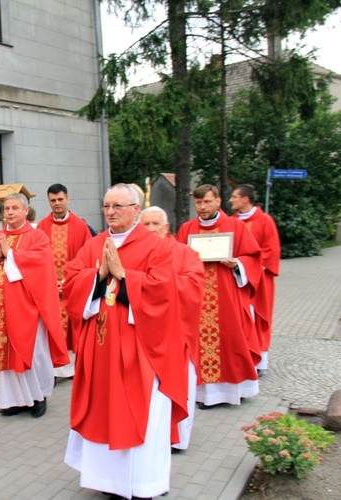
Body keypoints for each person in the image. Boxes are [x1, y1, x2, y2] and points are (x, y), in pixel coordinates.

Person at [63, 184, 187, 499]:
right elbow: (71, 283)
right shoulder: (94, 245)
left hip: (139, 352)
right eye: (106, 206)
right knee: (101, 411)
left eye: (118, 206)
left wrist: (125, 275)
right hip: (99, 349)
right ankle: (106, 481)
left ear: (135, 209)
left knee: (136, 413)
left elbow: (164, 293)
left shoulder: (155, 246)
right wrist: (99, 275)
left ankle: (142, 483)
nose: (110, 212)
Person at [0, 193, 69, 418]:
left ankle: (38, 397)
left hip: (28, 309)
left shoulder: (37, 237)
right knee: (6, 353)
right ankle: (13, 400)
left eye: (15, 208)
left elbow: (41, 263)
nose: (10, 212)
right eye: (7, 208)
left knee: (33, 353)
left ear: (26, 211)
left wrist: (12, 254)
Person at [176, 184, 263, 408]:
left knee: (230, 339)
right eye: (198, 202)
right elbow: (176, 258)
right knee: (196, 342)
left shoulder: (235, 226)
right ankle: (204, 394)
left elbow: (253, 257)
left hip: (226, 296)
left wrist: (237, 264)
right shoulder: (187, 229)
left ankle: (232, 390)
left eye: (206, 201)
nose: (202, 207)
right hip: (196, 298)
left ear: (218, 201)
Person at [140, 206, 205, 451]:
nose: (150, 229)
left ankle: (177, 438)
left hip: (175, 335)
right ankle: (150, 434)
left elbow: (194, 286)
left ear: (167, 228)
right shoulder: (135, 253)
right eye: (145, 224)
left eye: (155, 224)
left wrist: (157, 286)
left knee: (176, 386)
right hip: (143, 335)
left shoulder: (184, 253)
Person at [36, 183, 92, 379]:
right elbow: (36, 257)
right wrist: (49, 281)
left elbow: (87, 257)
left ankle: (71, 367)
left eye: (60, 199)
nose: (57, 203)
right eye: (53, 200)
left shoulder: (80, 226)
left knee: (72, 327)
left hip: (72, 286)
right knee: (51, 325)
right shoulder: (42, 226)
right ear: (49, 202)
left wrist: (69, 280)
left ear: (67, 199)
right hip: (48, 287)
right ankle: (53, 366)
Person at [230, 184, 281, 373]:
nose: (231, 200)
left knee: (257, 317)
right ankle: (240, 357)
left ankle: (260, 361)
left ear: (245, 199)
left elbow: (271, 250)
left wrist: (249, 265)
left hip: (260, 279)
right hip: (236, 277)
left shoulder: (264, 221)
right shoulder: (231, 221)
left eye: (235, 196)